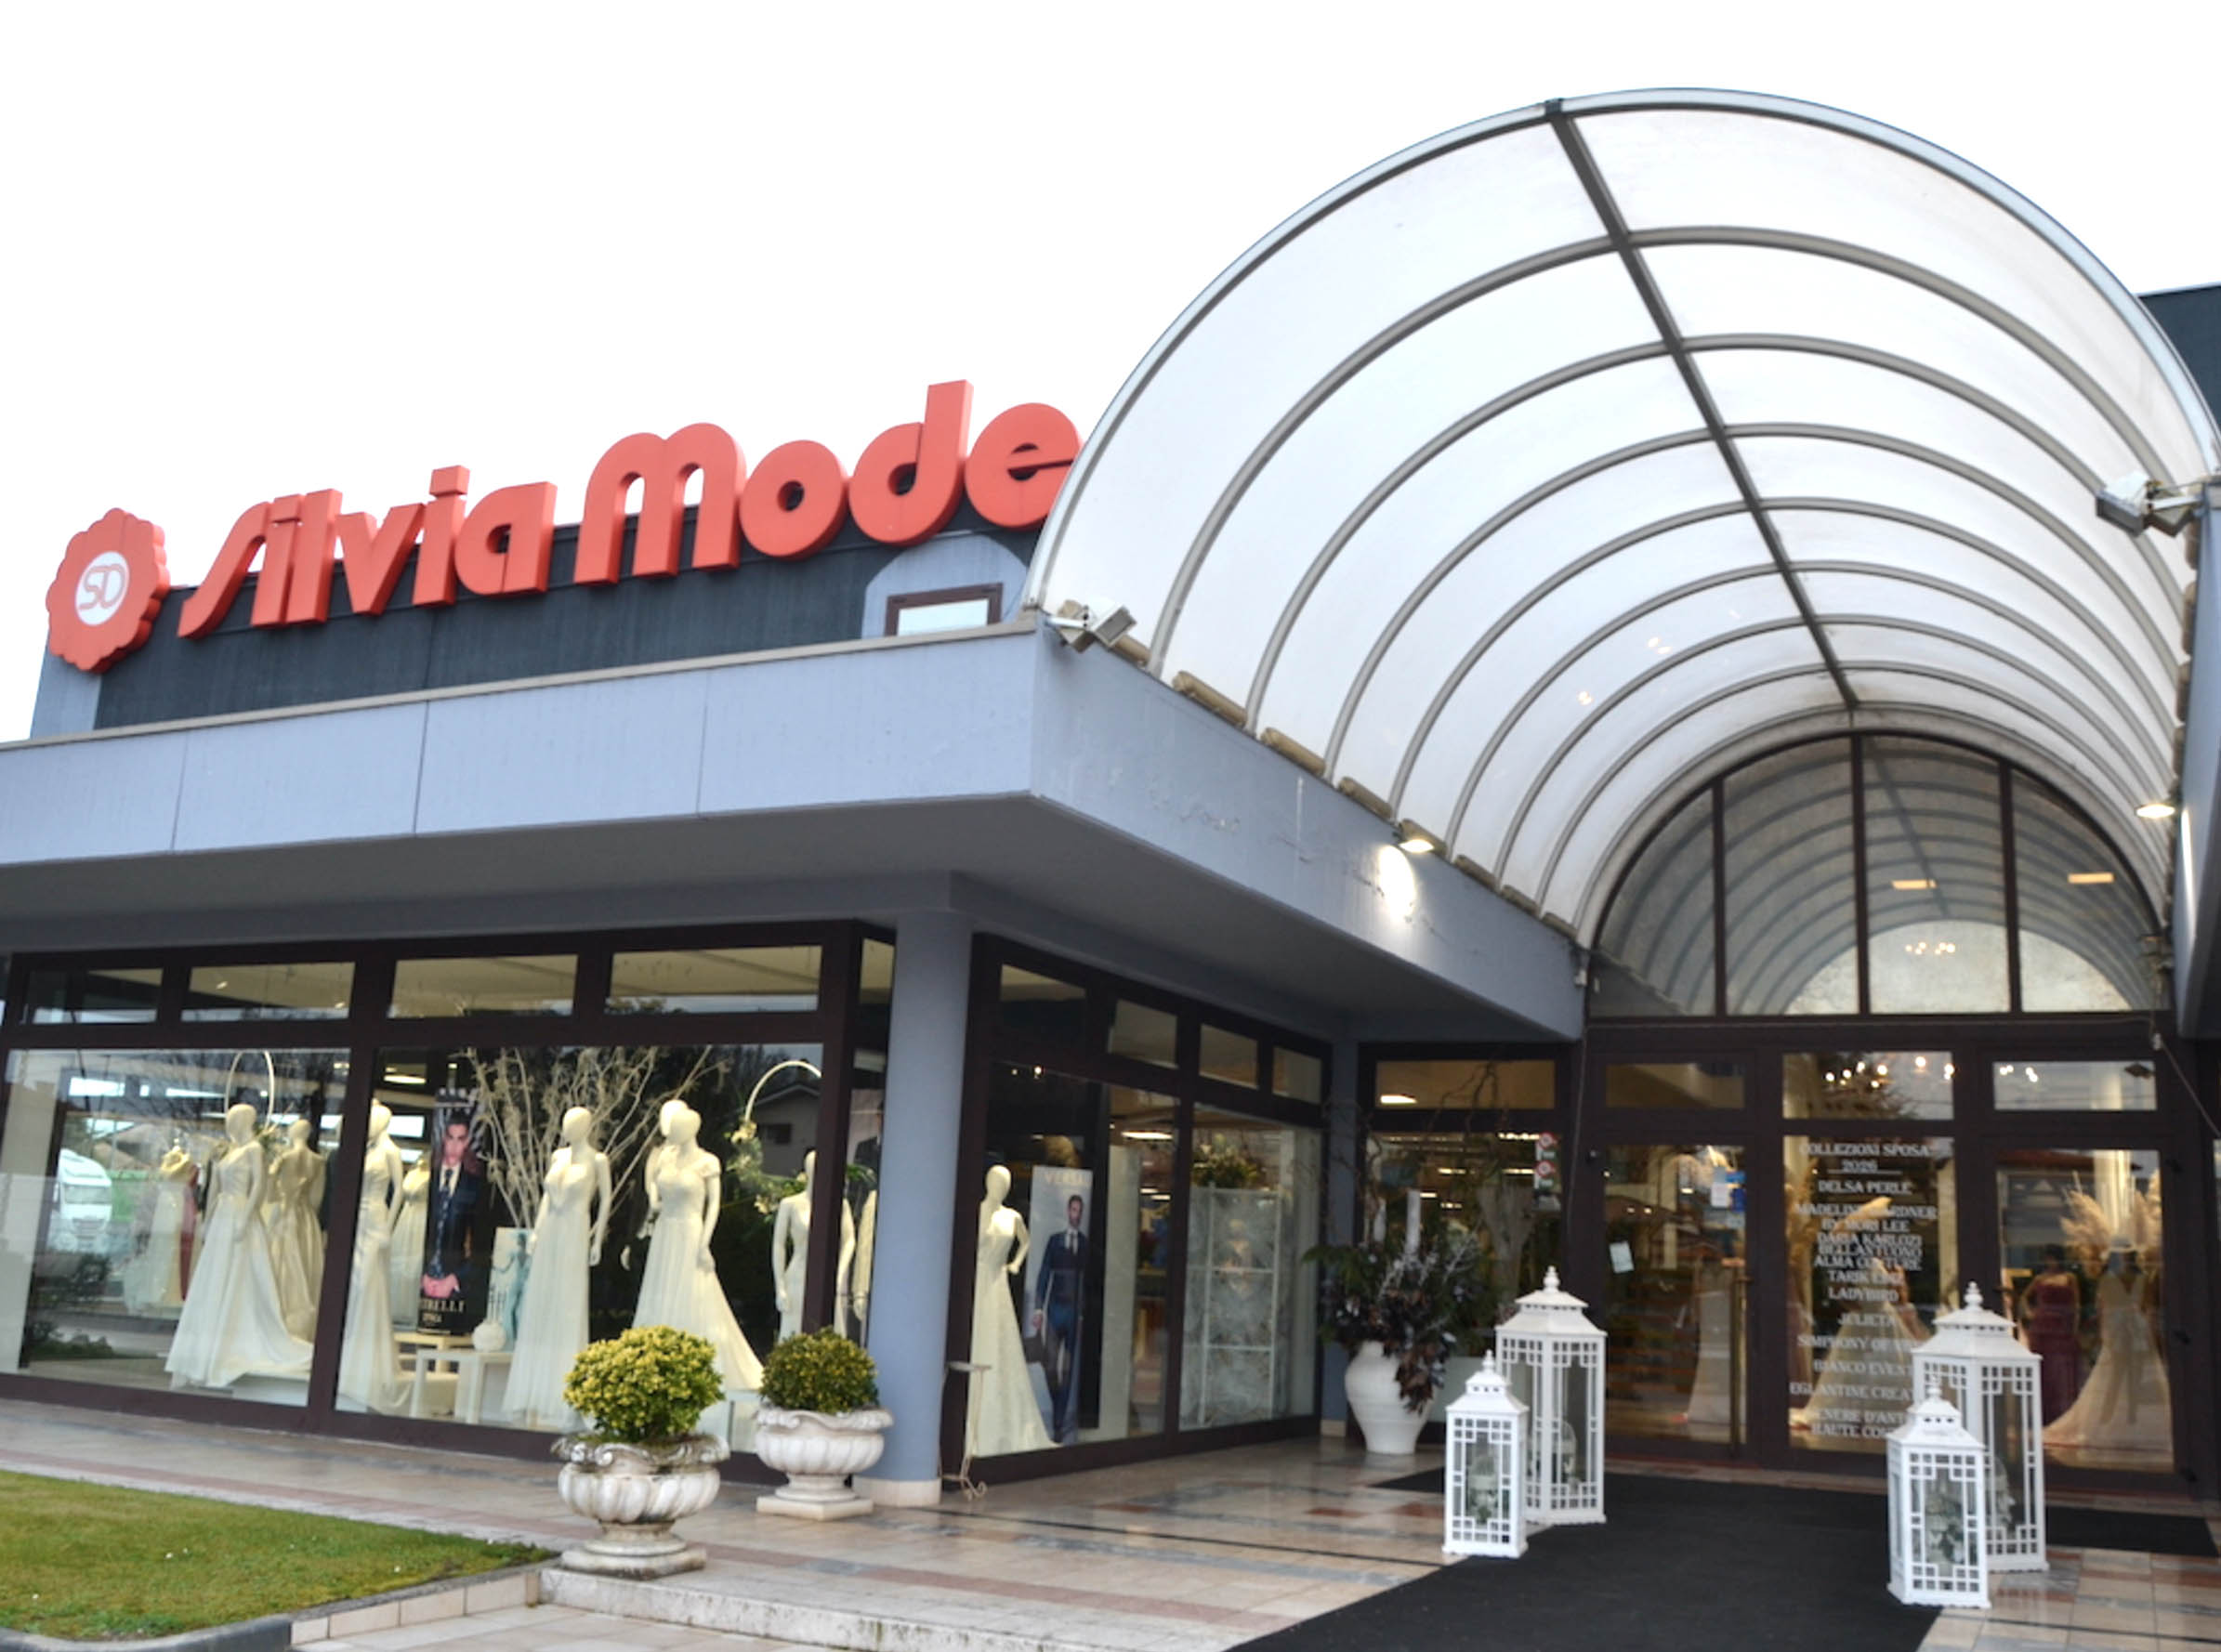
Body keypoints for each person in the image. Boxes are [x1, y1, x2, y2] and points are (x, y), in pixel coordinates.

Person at [1032, 1194, 1087, 1440]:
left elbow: (1088, 1281)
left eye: (1079, 1211)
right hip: (1055, 1309)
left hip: (1073, 1312)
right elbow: (1045, 1273)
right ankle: (1057, 1406)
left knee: (1068, 1368)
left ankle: (1058, 1420)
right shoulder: (1055, 1241)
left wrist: (1084, 1312)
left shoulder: (1084, 1244)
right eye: (1073, 1210)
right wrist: (1039, 1308)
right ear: (1068, 1211)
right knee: (1051, 1364)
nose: (1076, 1215)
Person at [422, 1117, 482, 1302]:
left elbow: (480, 1244)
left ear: (467, 1142)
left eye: (460, 1139)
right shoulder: (427, 1177)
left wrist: (455, 1278)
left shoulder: (474, 1185)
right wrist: (421, 1274)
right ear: (443, 1138)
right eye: (451, 1138)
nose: (455, 1145)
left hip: (454, 1279)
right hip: (422, 1274)